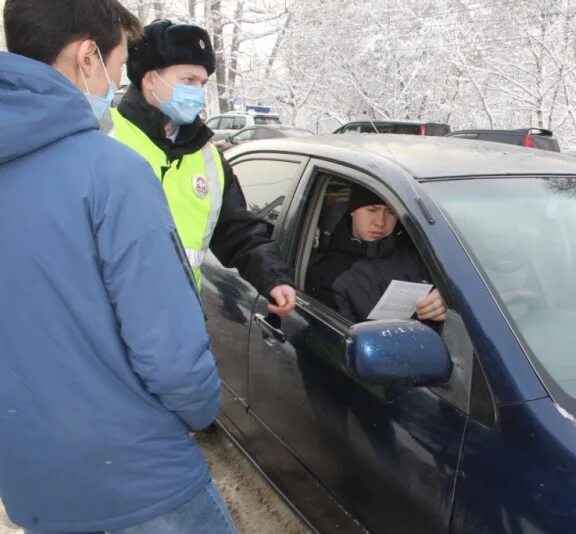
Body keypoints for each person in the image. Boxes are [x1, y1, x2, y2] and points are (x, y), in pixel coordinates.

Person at [0, 2, 236, 533]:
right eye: (118, 64)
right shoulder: (110, 170)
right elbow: (170, 356)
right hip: (137, 470)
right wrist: (199, 410)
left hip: (31, 472)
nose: (116, 81)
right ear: (88, 57)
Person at [112, 19, 295, 315]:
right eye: (188, 80)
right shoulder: (106, 135)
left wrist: (273, 277)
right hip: (109, 320)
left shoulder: (208, 158)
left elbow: (238, 230)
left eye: (203, 83)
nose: (197, 92)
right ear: (150, 79)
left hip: (178, 320)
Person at [307, 185, 447, 323]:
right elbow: (340, 334)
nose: (380, 222)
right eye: (372, 210)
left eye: (391, 212)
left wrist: (445, 300)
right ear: (352, 210)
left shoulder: (422, 253)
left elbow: (455, 288)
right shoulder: (325, 273)